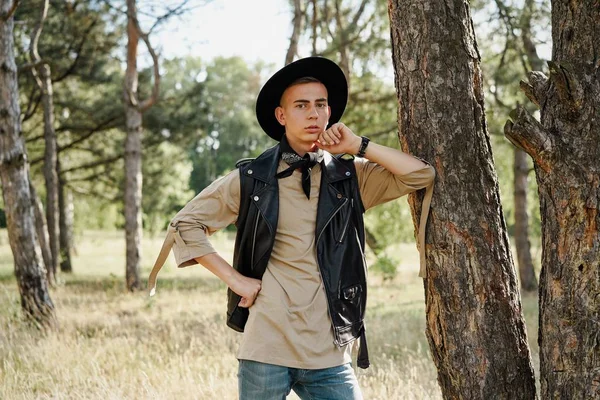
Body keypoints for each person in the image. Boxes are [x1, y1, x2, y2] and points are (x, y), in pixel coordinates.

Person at [148, 57, 435, 400]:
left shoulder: (349, 177)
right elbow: (185, 224)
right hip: (266, 346)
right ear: (281, 116)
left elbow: (421, 175)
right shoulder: (252, 178)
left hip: (328, 350)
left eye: (320, 104)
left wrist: (358, 145)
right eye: (301, 105)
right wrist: (236, 280)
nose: (313, 114)